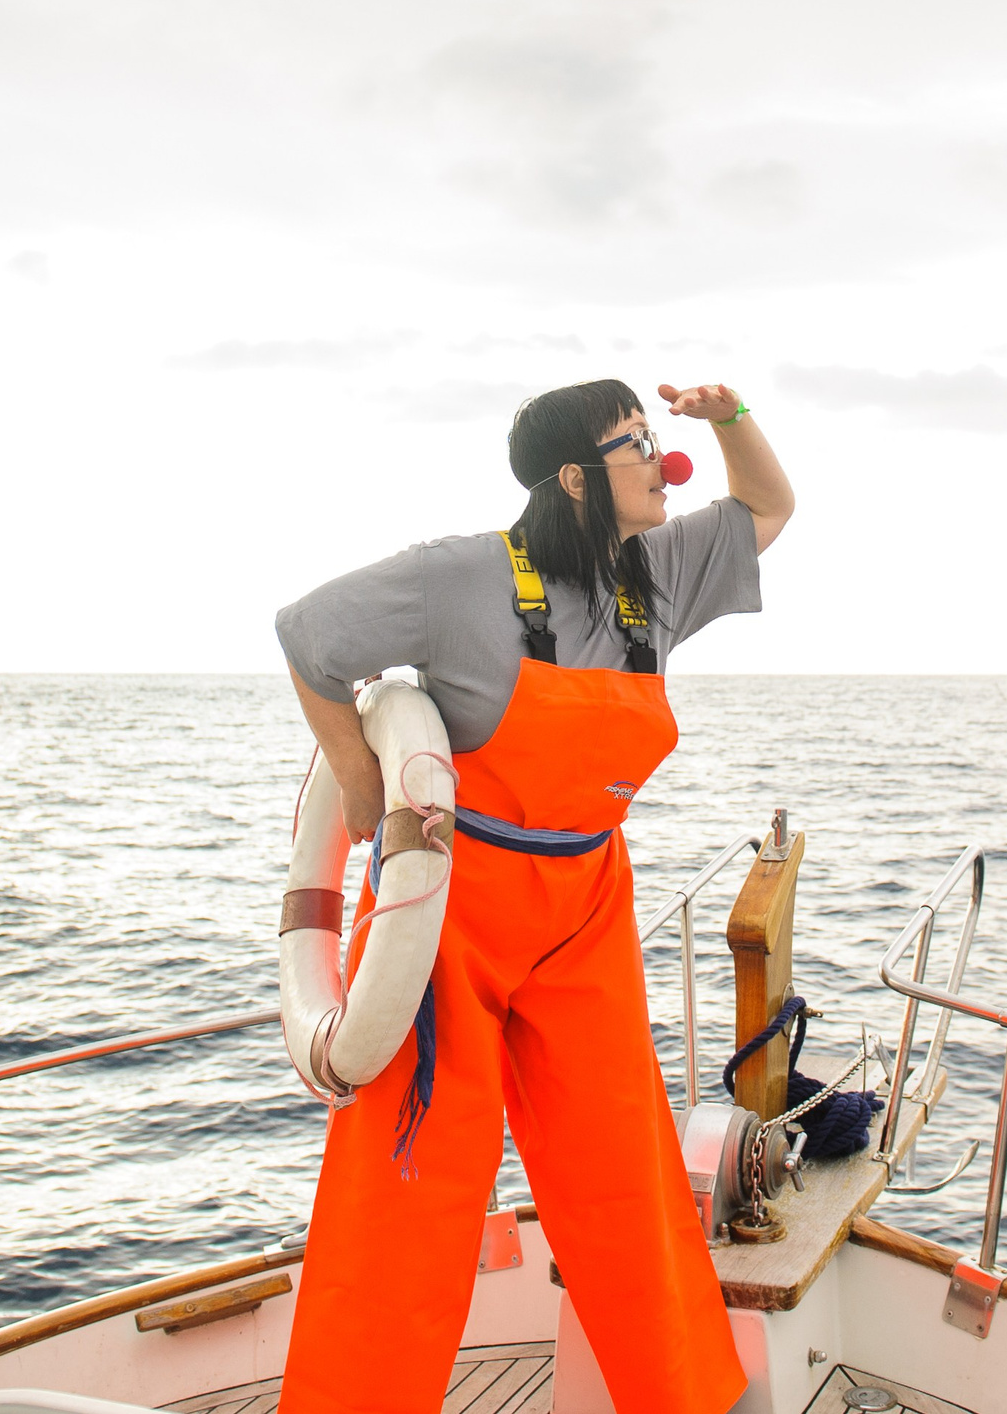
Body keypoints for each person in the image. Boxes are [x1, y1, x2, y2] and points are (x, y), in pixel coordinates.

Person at [273, 378, 792, 1414]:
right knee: (405, 1186)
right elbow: (307, 632)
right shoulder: (457, 575)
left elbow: (767, 507)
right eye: (635, 442)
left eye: (654, 436)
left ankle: (689, 1401)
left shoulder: (660, 571)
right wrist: (362, 778)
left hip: (585, 910)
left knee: (624, 1176)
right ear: (575, 478)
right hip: (449, 918)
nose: (661, 460)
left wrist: (729, 418)